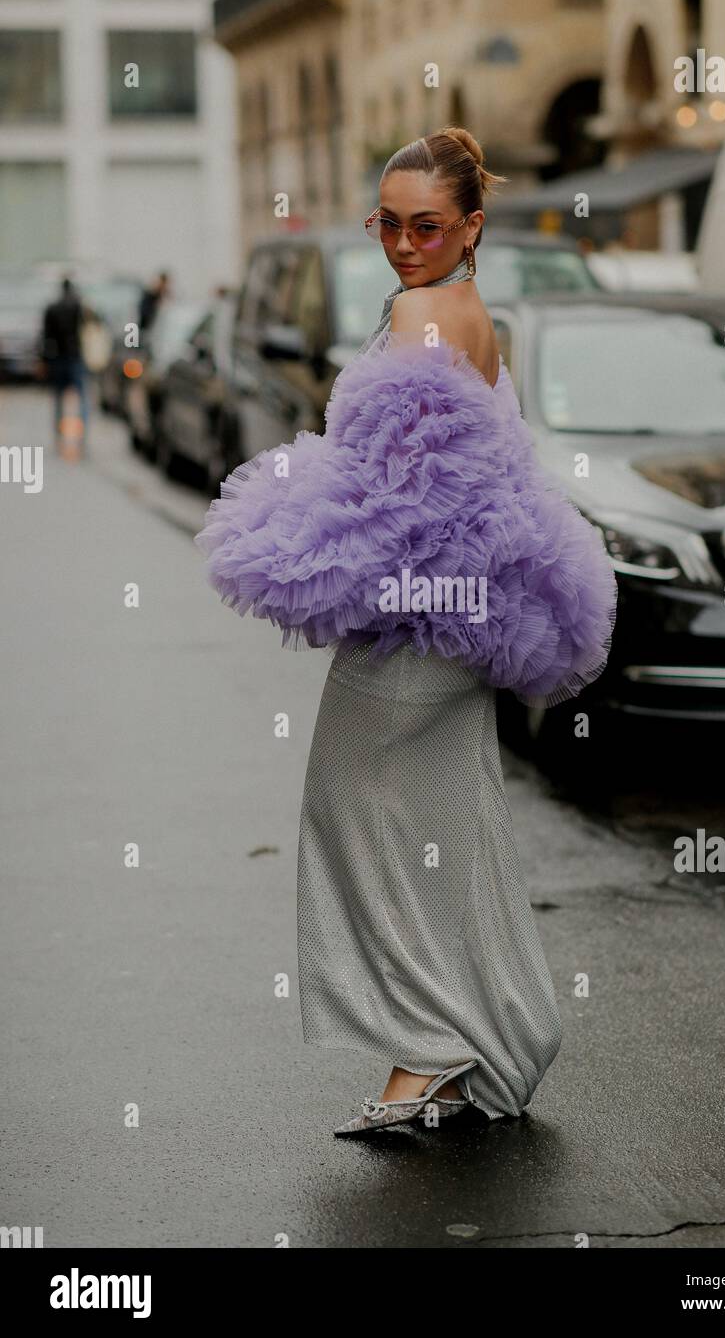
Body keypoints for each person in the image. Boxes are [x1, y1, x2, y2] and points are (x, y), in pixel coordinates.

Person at [194, 127, 618, 1135]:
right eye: (386, 223)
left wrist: (291, 546)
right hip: (459, 624)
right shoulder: (463, 312)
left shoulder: (427, 313)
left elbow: (400, 503)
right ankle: (496, 1039)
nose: (402, 243)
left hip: (413, 627)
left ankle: (427, 1051)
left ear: (470, 225)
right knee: (448, 828)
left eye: (426, 226)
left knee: (359, 816)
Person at [41, 277, 90, 443]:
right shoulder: (78, 307)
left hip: (58, 357)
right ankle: (82, 433)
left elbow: (46, 337)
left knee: (58, 399)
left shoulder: (52, 308)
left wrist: (45, 360)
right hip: (75, 356)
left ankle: (58, 433)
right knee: (82, 397)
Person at [138, 271, 171, 335]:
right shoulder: (155, 288)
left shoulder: (158, 289)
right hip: (146, 312)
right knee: (143, 329)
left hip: (149, 313)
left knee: (146, 330)